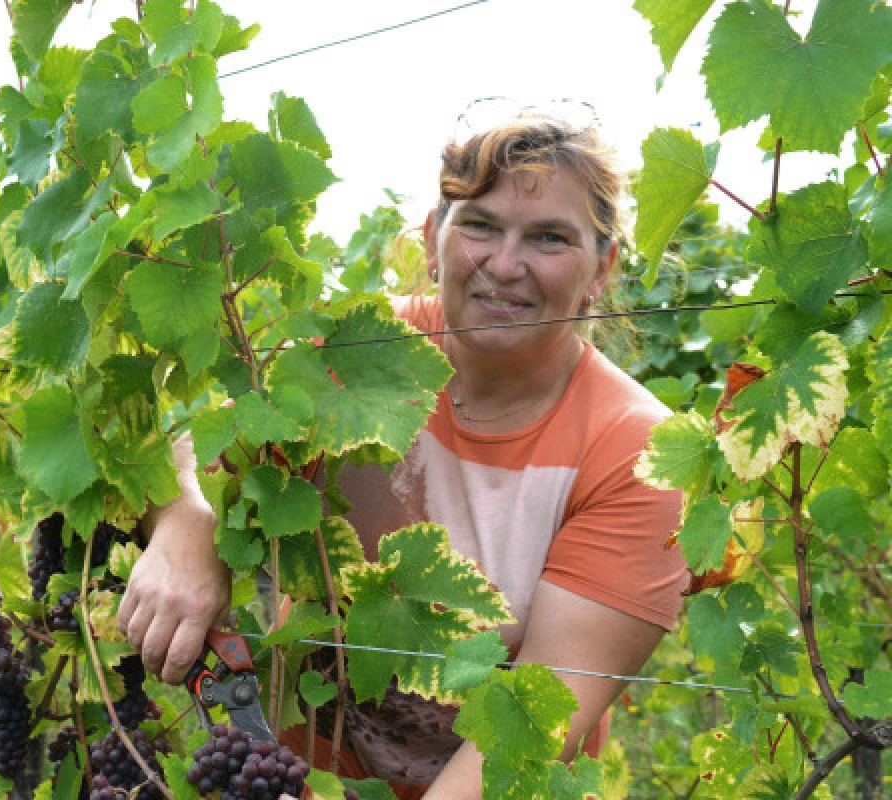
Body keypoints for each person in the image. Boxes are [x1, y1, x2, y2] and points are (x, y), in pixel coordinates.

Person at [117, 99, 689, 800]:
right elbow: (182, 456)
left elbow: (536, 725)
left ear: (603, 267)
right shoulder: (357, 357)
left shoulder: (636, 452)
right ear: (431, 238)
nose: (506, 265)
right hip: (301, 781)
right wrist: (186, 527)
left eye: (549, 239)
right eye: (480, 225)